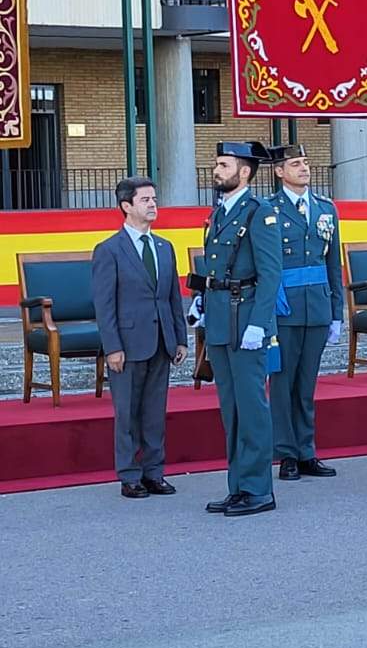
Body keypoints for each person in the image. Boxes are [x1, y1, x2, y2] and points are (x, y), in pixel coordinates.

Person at [192, 141, 282, 517]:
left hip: (246, 319)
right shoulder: (219, 212)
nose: (216, 170)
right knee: (231, 409)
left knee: (252, 408)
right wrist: (202, 301)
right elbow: (216, 268)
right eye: (217, 164)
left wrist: (259, 324)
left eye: (223, 164)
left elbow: (270, 273)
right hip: (219, 319)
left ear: (244, 172)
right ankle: (238, 486)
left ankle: (259, 489)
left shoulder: (259, 213)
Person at [92, 177, 186, 499]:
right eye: (145, 199)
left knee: (154, 412)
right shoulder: (109, 250)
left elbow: (174, 296)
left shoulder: (164, 247)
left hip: (161, 341)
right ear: (126, 206)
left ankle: (154, 472)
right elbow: (104, 305)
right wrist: (113, 347)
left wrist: (180, 338)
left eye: (154, 198)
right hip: (128, 345)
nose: (152, 204)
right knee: (128, 413)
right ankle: (129, 475)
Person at [266, 144, 342, 482]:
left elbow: (332, 263)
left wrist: (337, 310)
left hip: (317, 306)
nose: (304, 168)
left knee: (307, 384)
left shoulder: (326, 209)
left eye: (306, 163)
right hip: (284, 307)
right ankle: (286, 453)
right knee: (283, 384)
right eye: (295, 164)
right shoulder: (268, 209)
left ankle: (307, 450)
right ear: (279, 171)